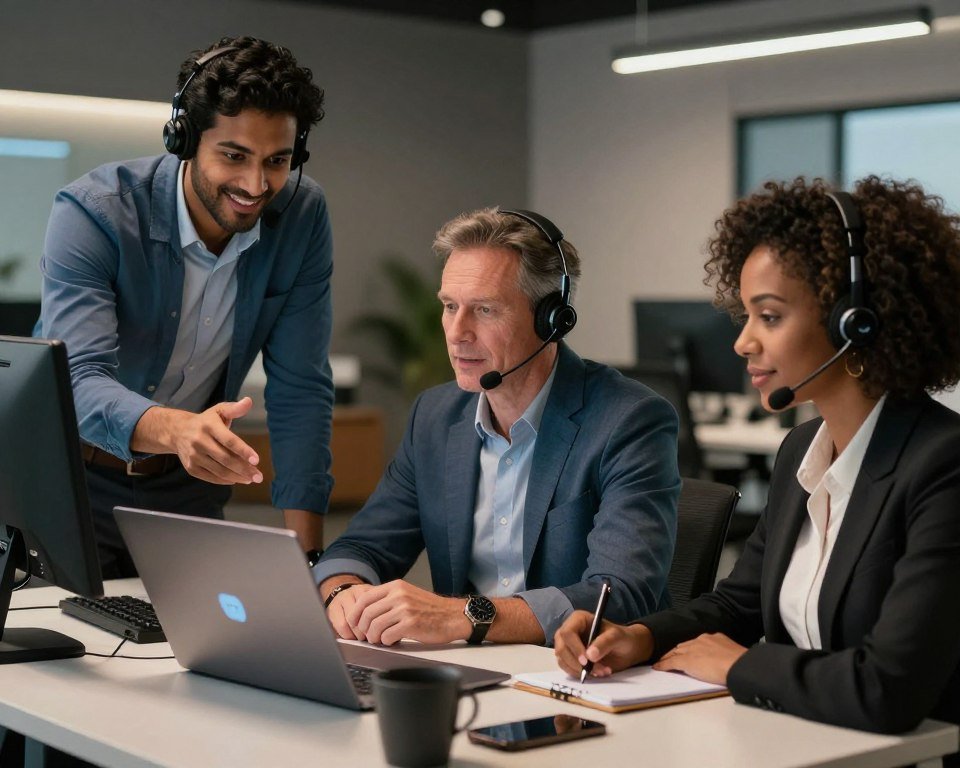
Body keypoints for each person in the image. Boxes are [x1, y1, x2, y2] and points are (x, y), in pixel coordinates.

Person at [554, 176, 960, 753]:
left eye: (768, 317)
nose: (743, 342)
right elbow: (740, 603)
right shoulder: (803, 450)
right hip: (805, 743)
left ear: (856, 323)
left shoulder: (942, 465)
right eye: (745, 316)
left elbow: (888, 688)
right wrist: (639, 637)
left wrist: (740, 668)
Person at [314, 207, 680, 646]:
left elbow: (618, 595)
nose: (456, 332)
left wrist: (466, 617)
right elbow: (362, 547)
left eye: (485, 310)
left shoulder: (629, 420)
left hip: (580, 682)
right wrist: (343, 592)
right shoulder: (435, 416)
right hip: (473, 676)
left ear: (551, 320)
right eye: (450, 307)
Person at [37, 36, 333, 578]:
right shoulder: (95, 212)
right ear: (184, 138)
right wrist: (176, 429)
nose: (255, 184)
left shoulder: (301, 214)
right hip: (66, 477)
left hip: (184, 489)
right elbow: (75, 379)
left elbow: (300, 388)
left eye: (277, 161)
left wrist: (309, 560)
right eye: (234, 156)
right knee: (58, 650)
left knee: (197, 653)